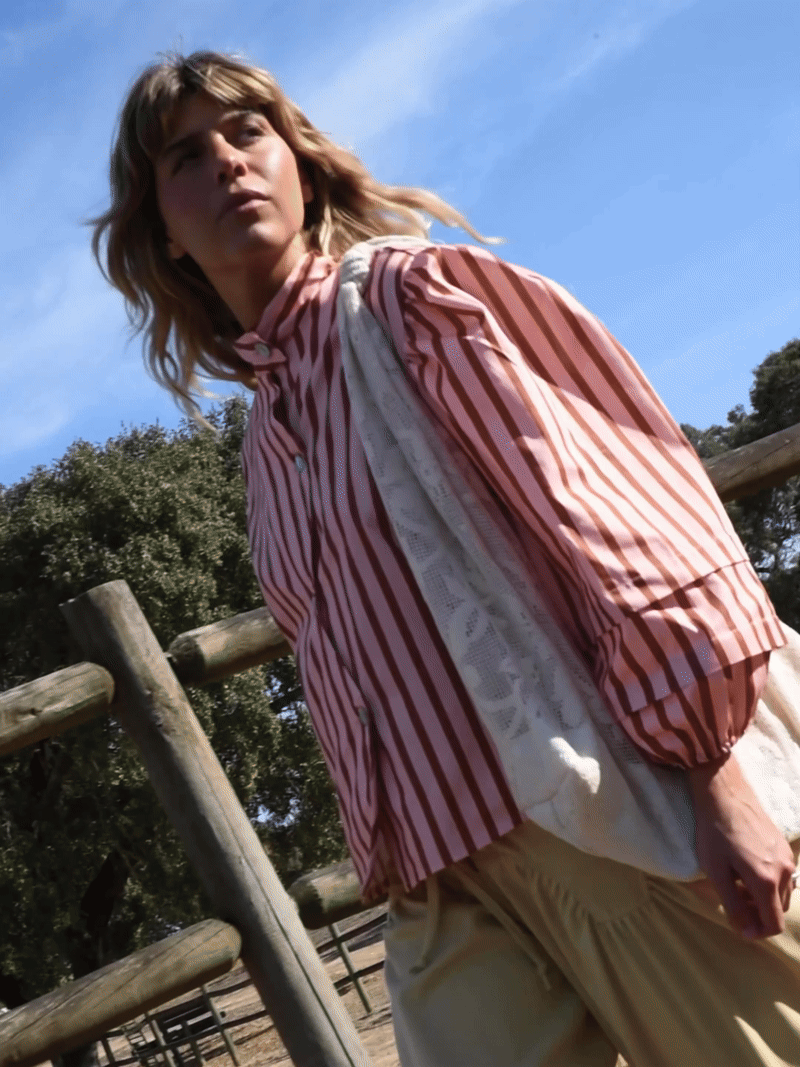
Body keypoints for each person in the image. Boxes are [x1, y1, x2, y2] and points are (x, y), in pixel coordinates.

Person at [91, 50, 800, 1066]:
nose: (228, 164)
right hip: (440, 885)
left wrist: (715, 775)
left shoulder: (410, 302)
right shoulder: (265, 441)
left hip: (605, 823)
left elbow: (619, 526)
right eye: (186, 158)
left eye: (248, 134)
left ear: (300, 167)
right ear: (163, 227)